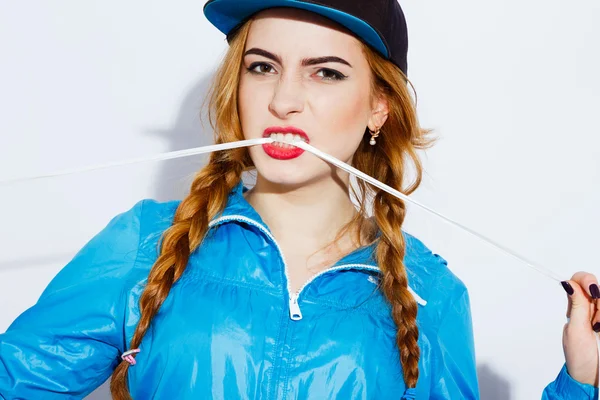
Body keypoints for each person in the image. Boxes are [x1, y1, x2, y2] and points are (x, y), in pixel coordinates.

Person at [0, 0, 598, 399]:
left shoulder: (431, 295)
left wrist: (580, 376)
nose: (284, 100)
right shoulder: (143, 246)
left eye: (326, 73)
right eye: (263, 67)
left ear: (377, 108)